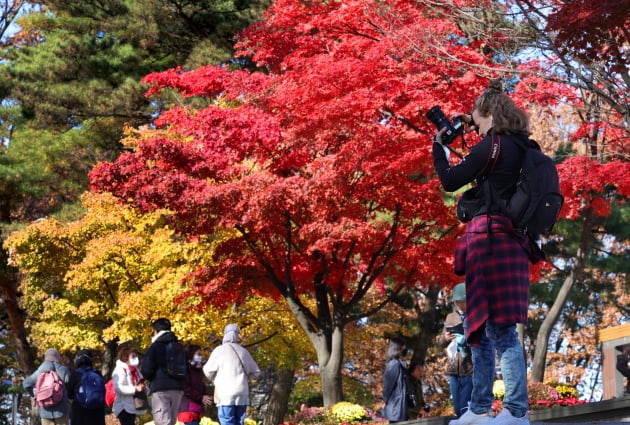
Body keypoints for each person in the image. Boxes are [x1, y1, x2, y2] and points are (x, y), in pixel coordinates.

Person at [432, 79, 535, 425]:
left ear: (490, 114)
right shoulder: (525, 147)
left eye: (476, 120)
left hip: (488, 241)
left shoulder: (492, 146)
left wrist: (438, 146)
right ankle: (479, 408)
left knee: (496, 330)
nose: (473, 127)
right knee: (486, 328)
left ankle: (513, 411)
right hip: (514, 242)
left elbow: (449, 179)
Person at [203, 324, 260, 425]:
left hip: (225, 392)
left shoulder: (219, 350)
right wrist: (245, 379)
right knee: (239, 421)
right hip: (242, 392)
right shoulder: (244, 351)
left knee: (227, 420)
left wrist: (215, 380)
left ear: (225, 334)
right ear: (237, 335)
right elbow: (256, 372)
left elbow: (207, 370)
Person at [141, 318, 186, 425]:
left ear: (156, 331)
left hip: (160, 389)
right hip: (178, 389)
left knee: (163, 422)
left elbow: (146, 370)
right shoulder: (179, 347)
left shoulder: (155, 347)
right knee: (172, 421)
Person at [439, 283, 473, 417]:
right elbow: (441, 342)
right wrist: (446, 338)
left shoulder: (474, 316)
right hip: (453, 367)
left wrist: (466, 339)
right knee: (457, 408)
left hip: (470, 368)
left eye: (462, 301)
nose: (460, 304)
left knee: (465, 406)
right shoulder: (450, 317)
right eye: (457, 301)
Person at [23, 348, 71, 425]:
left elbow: (26, 384)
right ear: (57, 357)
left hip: (45, 411)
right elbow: (69, 386)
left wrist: (34, 394)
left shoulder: (39, 372)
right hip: (61, 411)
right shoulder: (63, 370)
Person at [66, 349, 106, 425]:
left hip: (80, 411)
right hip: (97, 412)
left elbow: (69, 395)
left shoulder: (75, 374)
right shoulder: (97, 373)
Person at [112, 346, 148, 425]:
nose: (136, 358)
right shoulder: (120, 370)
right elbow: (118, 388)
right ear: (125, 357)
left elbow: (142, 384)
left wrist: (144, 387)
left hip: (132, 405)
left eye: (136, 356)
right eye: (133, 356)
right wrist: (135, 389)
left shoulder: (135, 370)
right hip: (123, 407)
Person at [178, 344, 213, 425]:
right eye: (198, 354)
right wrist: (201, 397)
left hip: (196, 411)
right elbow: (186, 389)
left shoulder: (197, 371)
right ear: (190, 355)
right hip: (187, 410)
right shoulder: (185, 370)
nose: (200, 357)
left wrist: (205, 395)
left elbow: (201, 386)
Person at [382, 337, 412, 423]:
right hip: (396, 406)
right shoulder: (394, 364)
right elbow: (388, 385)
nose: (405, 349)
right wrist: (385, 400)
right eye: (403, 346)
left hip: (399, 406)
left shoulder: (398, 364)